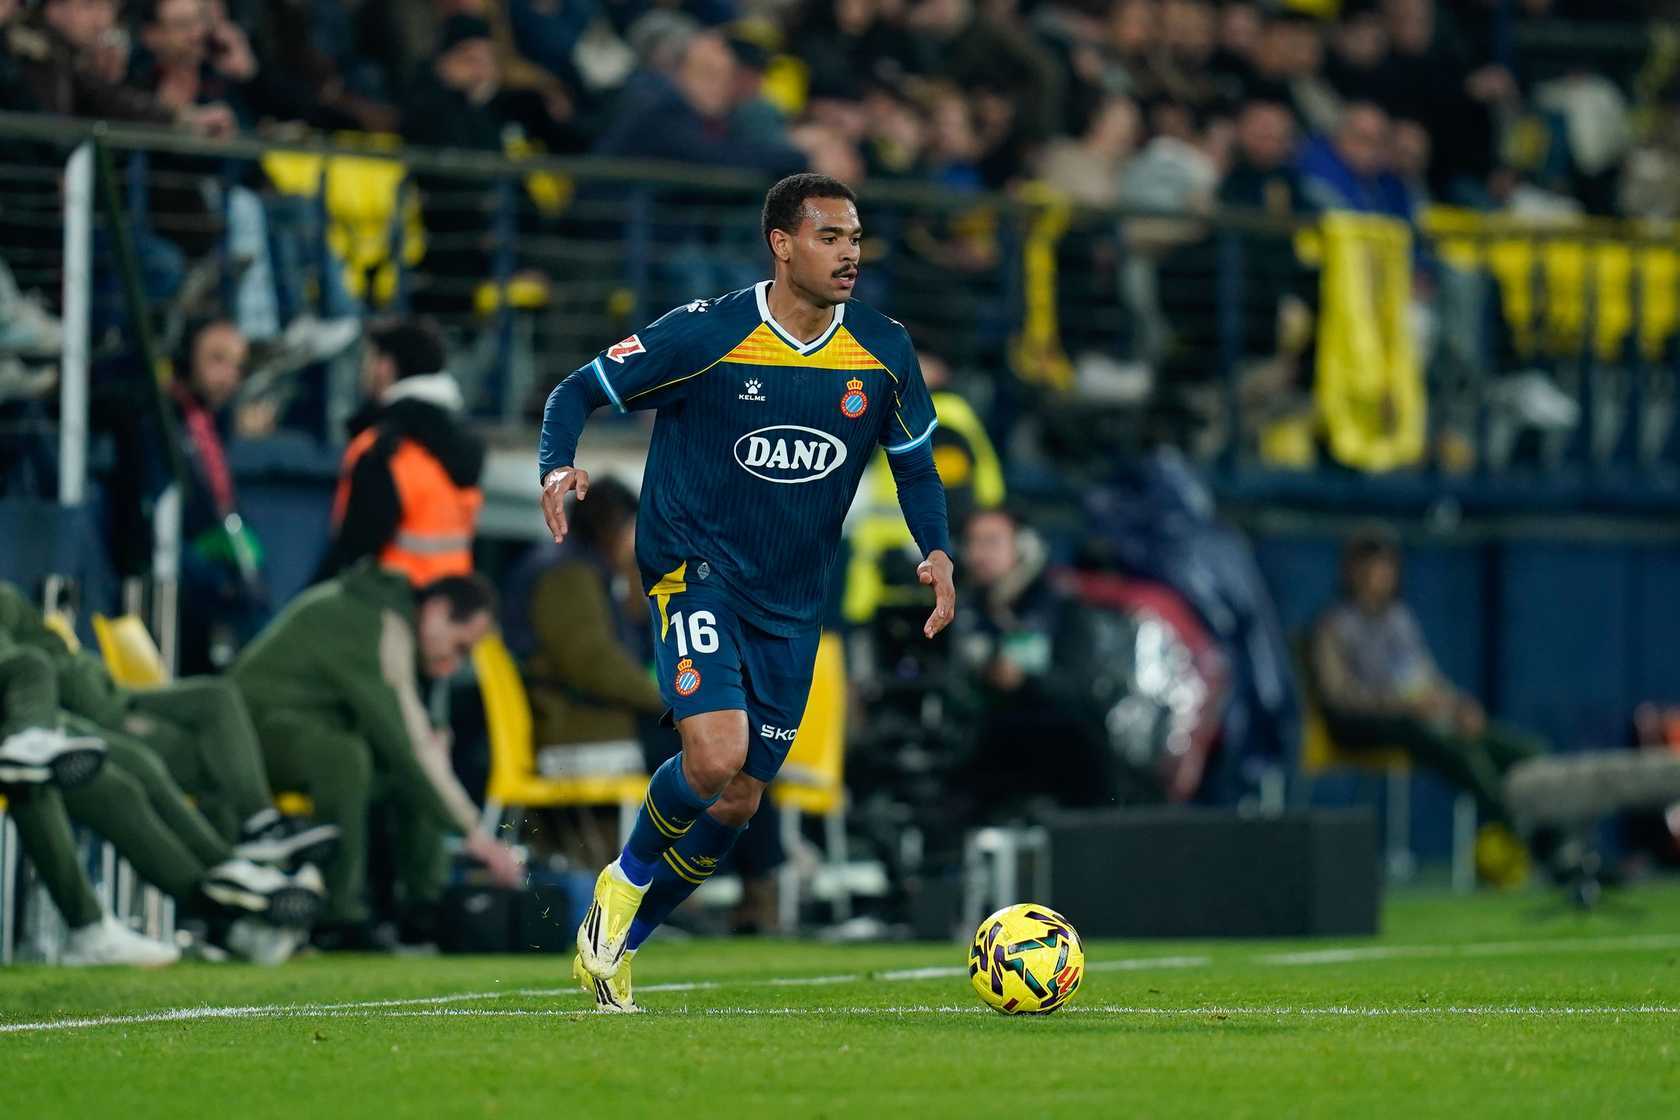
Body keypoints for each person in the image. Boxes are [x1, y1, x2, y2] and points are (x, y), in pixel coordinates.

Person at [538, 172, 954, 1010]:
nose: (849, 254)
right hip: (694, 568)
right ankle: (622, 882)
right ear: (782, 244)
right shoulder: (708, 333)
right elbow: (575, 390)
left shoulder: (882, 349)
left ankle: (619, 944)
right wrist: (557, 465)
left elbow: (914, 465)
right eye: (830, 237)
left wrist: (937, 551)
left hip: (792, 600)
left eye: (856, 238)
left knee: (738, 798)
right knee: (715, 752)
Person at [230, 562, 524, 948]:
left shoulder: (388, 618)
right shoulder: (376, 624)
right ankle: (339, 917)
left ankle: (424, 908)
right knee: (349, 757)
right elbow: (409, 746)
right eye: (459, 647)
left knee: (397, 768)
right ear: (437, 611)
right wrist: (477, 836)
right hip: (246, 737)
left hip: (297, 728)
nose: (453, 666)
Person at [0, 579, 335, 865]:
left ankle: (257, 832)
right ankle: (232, 872)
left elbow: (56, 658)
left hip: (116, 692)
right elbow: (30, 671)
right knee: (216, 764)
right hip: (95, 716)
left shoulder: (12, 600)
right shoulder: (22, 650)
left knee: (216, 696)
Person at [1309, 526, 1546, 880]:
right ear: (1351, 571)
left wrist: (1458, 706)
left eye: (1384, 566)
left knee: (1525, 750)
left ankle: (1550, 827)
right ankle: (1521, 827)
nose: (1377, 575)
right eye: (1368, 566)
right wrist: (1400, 706)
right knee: (1448, 744)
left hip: (1420, 719)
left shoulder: (1400, 620)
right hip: (1365, 726)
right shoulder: (1333, 625)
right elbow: (1338, 696)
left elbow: (1426, 679)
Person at [950, 507, 1119, 818]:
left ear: (1025, 547)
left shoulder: (1060, 607)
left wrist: (1026, 679)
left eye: (991, 542)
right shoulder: (963, 609)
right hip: (989, 762)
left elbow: (1081, 689)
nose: (978, 554)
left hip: (1060, 761)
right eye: (972, 543)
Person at [314, 318, 484, 587]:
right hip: (447, 603)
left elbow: (355, 549)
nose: (364, 370)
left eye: (369, 359)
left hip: (389, 600)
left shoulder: (382, 450)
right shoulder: (463, 443)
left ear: (386, 366)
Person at [167, 318, 272, 673]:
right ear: (185, 358)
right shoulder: (165, 416)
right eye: (216, 359)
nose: (229, 377)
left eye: (237, 367)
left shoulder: (212, 421)